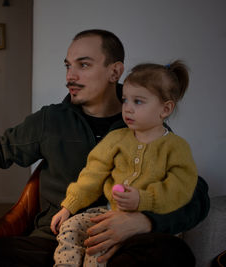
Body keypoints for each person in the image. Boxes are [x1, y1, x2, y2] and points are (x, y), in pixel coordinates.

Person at [0, 29, 209, 266]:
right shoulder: (51, 120)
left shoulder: (147, 127)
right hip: (53, 243)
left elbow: (194, 196)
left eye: (83, 65)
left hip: (123, 244)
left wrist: (144, 221)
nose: (70, 77)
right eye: (68, 66)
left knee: (174, 255)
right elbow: (3, 146)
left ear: (115, 71)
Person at [51, 61, 198, 267]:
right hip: (110, 212)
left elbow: (181, 188)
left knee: (98, 247)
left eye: (138, 102)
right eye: (125, 100)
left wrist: (143, 198)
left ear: (165, 109)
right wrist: (69, 205)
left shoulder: (176, 148)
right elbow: (93, 173)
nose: (127, 108)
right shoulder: (116, 138)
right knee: (71, 228)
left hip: (150, 221)